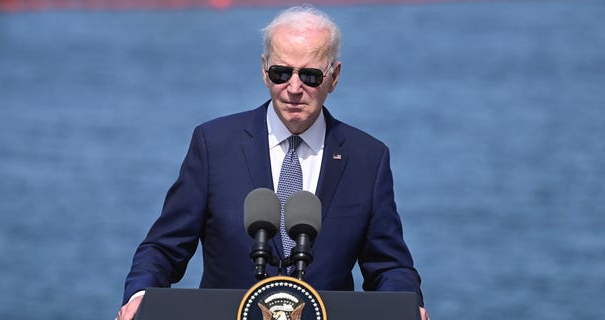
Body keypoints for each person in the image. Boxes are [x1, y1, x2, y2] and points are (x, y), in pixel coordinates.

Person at [117, 5, 429, 320]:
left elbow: (389, 265)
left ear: (333, 77)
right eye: (282, 73)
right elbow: (164, 248)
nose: (294, 88)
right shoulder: (214, 145)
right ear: (264, 70)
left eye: (310, 75)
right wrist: (139, 296)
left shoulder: (367, 158)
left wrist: (406, 306)